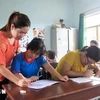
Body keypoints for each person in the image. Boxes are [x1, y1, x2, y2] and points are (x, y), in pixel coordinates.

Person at [0, 11, 31, 99]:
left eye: (25, 33)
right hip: (2, 74)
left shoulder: (16, 39)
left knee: (6, 96)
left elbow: (16, 58)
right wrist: (17, 81)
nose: (23, 36)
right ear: (12, 26)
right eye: (21, 32)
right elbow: (1, 67)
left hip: (4, 77)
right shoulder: (1, 41)